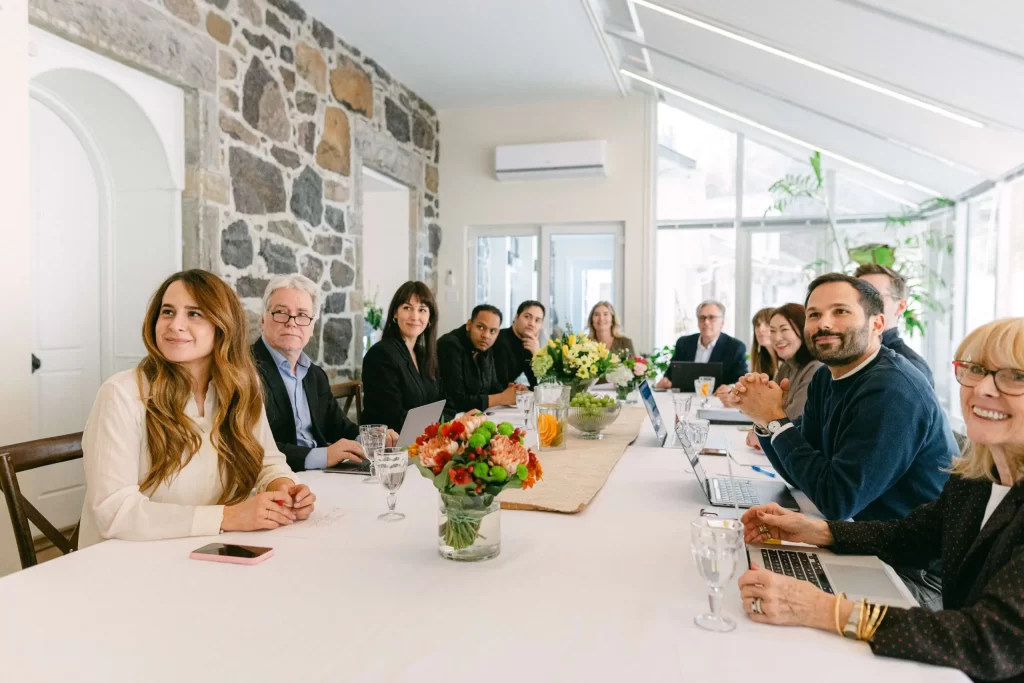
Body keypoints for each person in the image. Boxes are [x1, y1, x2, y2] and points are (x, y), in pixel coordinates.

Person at [737, 317, 1024, 682]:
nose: (983, 388)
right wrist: (814, 530)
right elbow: (909, 538)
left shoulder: (893, 389)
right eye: (976, 369)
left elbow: (987, 640)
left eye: (1015, 376)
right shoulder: (977, 479)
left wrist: (824, 609)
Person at [731, 273, 956, 607]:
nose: (824, 324)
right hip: (864, 543)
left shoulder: (892, 390)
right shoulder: (827, 376)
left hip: (912, 573)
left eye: (840, 312)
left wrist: (776, 419)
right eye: (814, 314)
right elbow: (802, 473)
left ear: (878, 323)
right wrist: (766, 421)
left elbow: (837, 499)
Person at [79, 270, 314, 548]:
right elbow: (113, 511)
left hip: (204, 551)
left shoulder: (241, 390)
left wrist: (284, 487)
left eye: (194, 314)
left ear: (223, 325)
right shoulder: (122, 394)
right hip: (125, 562)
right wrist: (226, 517)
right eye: (167, 312)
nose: (174, 325)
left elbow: (268, 462)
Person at [252, 274, 396, 473]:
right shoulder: (244, 370)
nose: (292, 322)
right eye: (280, 312)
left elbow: (338, 426)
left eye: (302, 315)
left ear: (312, 326)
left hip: (320, 476)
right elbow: (253, 447)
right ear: (262, 320)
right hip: (274, 480)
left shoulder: (315, 375)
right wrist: (323, 456)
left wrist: (372, 438)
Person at [362, 281, 454, 431]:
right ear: (395, 313)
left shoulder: (425, 355)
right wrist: (437, 423)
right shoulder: (381, 355)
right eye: (407, 308)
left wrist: (434, 424)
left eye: (422, 309)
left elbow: (448, 404)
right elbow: (393, 419)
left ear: (430, 318)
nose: (415, 316)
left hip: (423, 440)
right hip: (390, 446)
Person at [738, 304, 822, 450]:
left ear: (803, 330)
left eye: (784, 329)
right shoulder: (787, 366)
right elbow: (767, 409)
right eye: (773, 331)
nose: (776, 338)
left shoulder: (815, 368)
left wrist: (762, 431)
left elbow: (794, 419)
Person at [855, 263, 934, 387]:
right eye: (858, 298)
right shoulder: (843, 356)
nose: (863, 305)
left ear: (900, 306)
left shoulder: (909, 365)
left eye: (874, 297)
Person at [438, 305, 524, 413]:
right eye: (481, 327)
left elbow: (492, 387)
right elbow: (457, 400)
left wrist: (513, 391)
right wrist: (501, 398)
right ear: (469, 325)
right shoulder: (449, 345)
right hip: (449, 419)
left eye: (493, 331)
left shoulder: (485, 347)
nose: (486, 335)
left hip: (475, 415)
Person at [656, 300, 748, 389]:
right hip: (684, 399)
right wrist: (666, 382)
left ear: (722, 322)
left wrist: (730, 388)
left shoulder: (735, 347)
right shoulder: (684, 343)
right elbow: (670, 374)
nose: (706, 322)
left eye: (712, 318)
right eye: (702, 318)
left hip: (718, 401)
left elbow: (741, 382)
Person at [493, 300, 545, 388]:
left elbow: (541, 385)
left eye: (537, 320)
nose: (531, 324)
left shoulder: (530, 344)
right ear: (516, 318)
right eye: (527, 317)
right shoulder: (499, 340)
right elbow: (500, 386)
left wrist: (537, 355)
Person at [750, 307, 777, 377]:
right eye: (758, 325)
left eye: (767, 324)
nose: (761, 329)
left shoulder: (788, 364)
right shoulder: (760, 361)